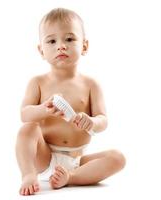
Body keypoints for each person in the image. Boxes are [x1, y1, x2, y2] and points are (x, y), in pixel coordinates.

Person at [15, 7, 126, 196]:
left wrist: (92, 121)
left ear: (84, 46)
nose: (61, 46)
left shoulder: (91, 85)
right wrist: (43, 109)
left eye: (69, 39)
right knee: (27, 129)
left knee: (118, 158)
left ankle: (71, 177)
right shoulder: (38, 83)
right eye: (52, 41)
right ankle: (28, 174)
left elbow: (103, 120)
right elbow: (25, 115)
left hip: (78, 160)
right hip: (45, 156)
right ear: (41, 50)